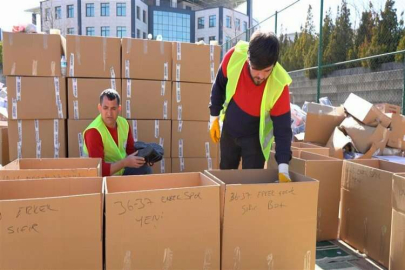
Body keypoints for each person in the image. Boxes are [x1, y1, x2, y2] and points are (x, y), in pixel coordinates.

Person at [209, 30, 292, 182]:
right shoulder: (234, 57)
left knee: (252, 183)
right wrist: (213, 117)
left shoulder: (279, 84)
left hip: (255, 139)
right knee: (226, 176)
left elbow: (283, 130)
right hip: (230, 129)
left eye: (267, 70)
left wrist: (283, 168)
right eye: (256, 69)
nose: (261, 76)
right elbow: (219, 86)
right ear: (248, 59)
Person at [83, 89, 151, 176]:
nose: (109, 113)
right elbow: (99, 171)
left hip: (120, 170)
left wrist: (145, 157)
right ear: (99, 108)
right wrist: (125, 163)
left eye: (113, 108)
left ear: (119, 108)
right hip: (100, 178)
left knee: (145, 169)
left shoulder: (124, 123)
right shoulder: (93, 132)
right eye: (105, 108)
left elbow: (131, 151)